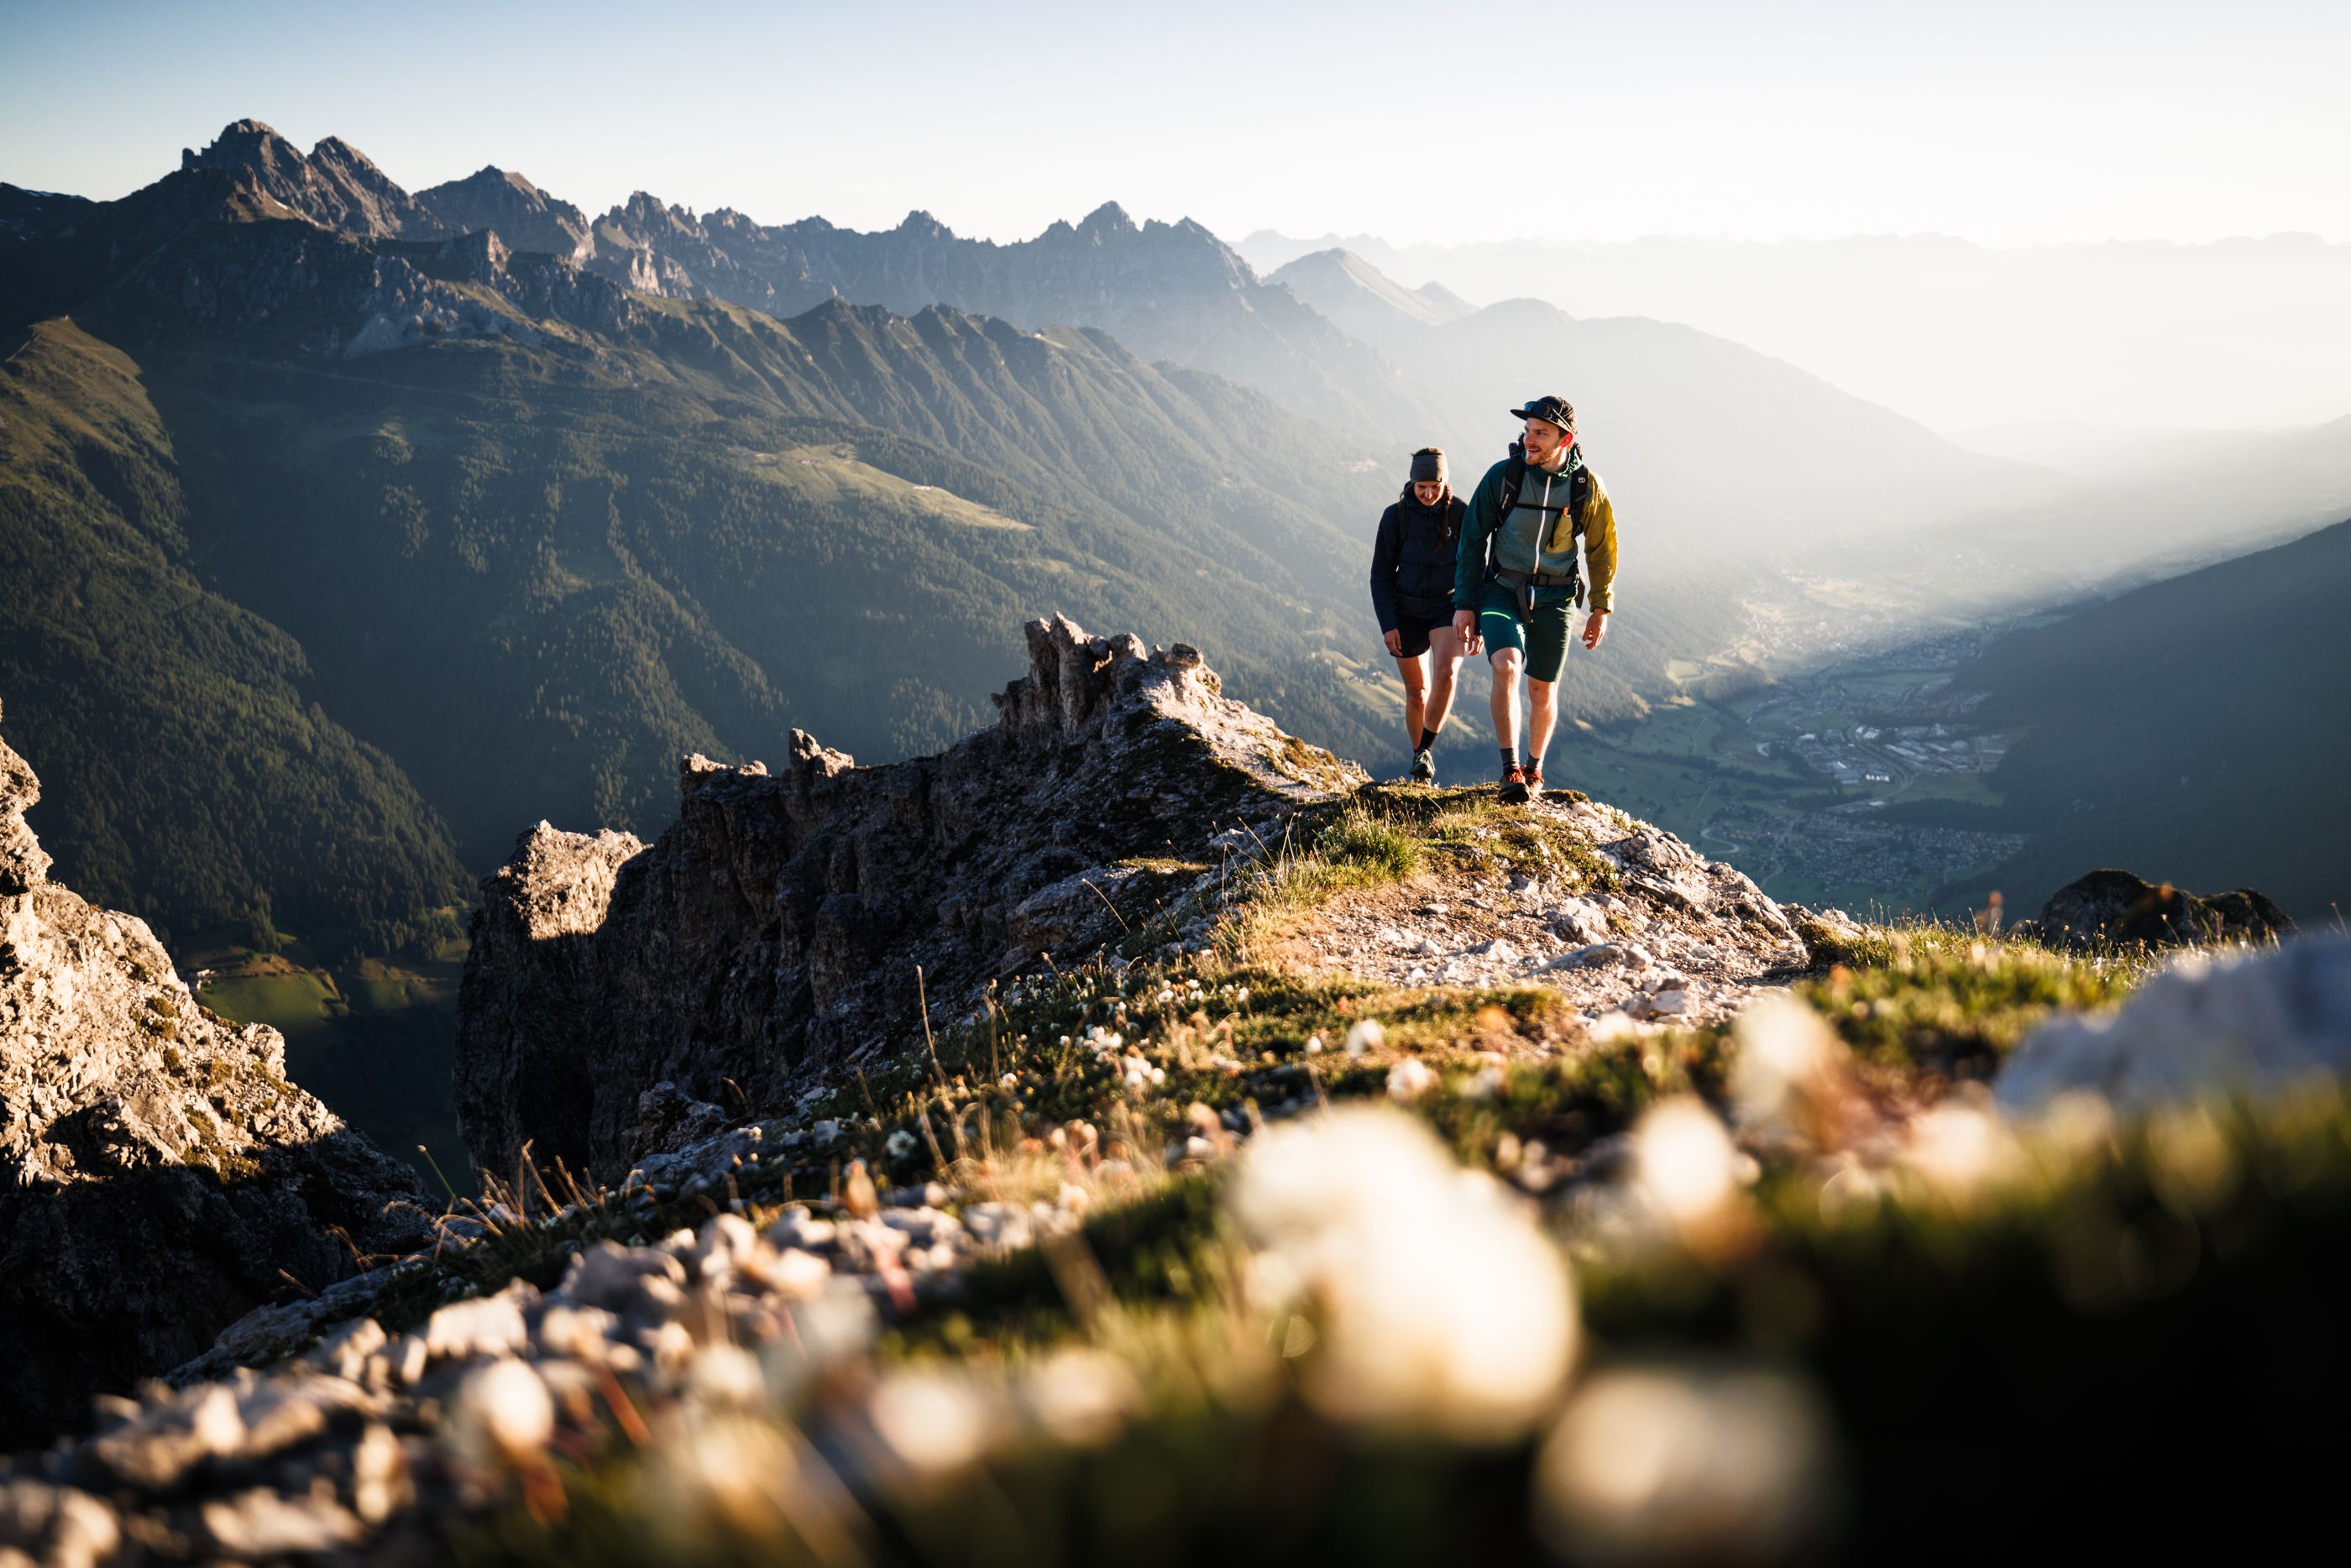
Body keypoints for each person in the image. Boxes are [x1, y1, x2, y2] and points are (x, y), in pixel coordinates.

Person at [1451, 396, 1619, 803]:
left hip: (1557, 596)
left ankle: (1534, 769)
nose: (1529, 439)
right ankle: (1510, 770)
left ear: (1566, 439)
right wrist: (1465, 602)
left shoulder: (1585, 487)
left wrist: (1600, 607)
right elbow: (1472, 539)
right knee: (1506, 666)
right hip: (1502, 589)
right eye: (1527, 431)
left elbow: (1601, 548)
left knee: (1543, 690)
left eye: (1540, 433)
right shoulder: (1503, 476)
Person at [1369, 447, 1470, 781]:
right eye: (1421, 487)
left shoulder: (1459, 514)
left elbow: (1475, 569)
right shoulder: (1395, 517)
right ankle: (1420, 766)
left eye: (1435, 487)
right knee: (1417, 694)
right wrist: (1389, 624)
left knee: (1447, 673)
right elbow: (1381, 574)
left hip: (1447, 606)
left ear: (1445, 483)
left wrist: (1476, 618)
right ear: (1411, 483)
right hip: (1406, 609)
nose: (1428, 494)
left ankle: (1426, 747)